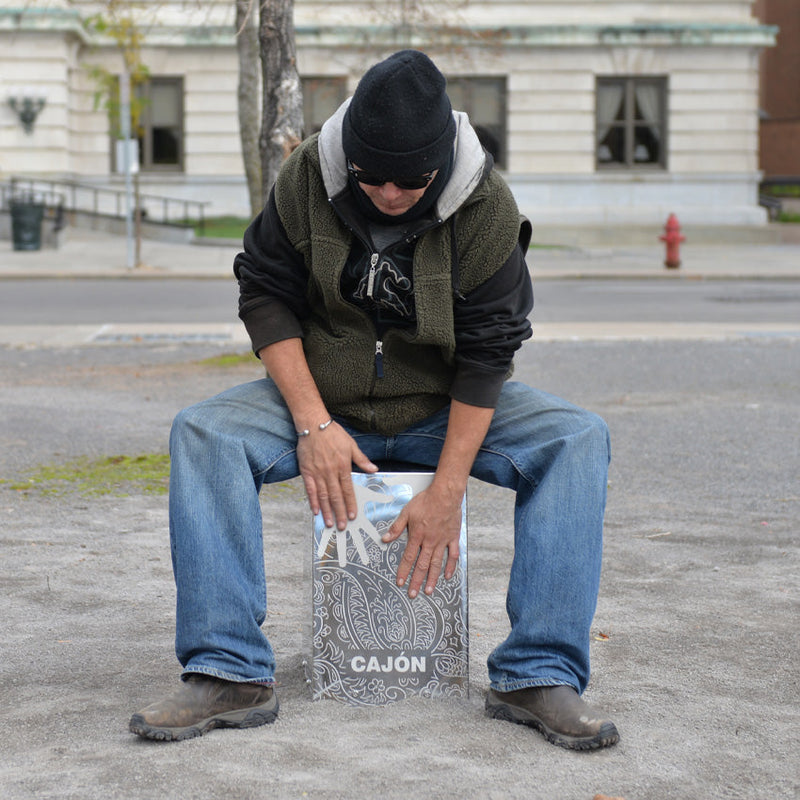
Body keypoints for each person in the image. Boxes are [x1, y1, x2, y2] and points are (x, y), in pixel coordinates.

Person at [129, 49, 619, 751]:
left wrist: (448, 488)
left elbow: (489, 354)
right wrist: (313, 421)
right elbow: (264, 291)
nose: (389, 193)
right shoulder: (307, 178)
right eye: (372, 178)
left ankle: (536, 674)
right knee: (203, 433)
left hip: (441, 405)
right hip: (325, 399)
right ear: (350, 153)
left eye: (410, 181)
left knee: (577, 439)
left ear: (441, 162)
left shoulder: (485, 206)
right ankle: (228, 671)